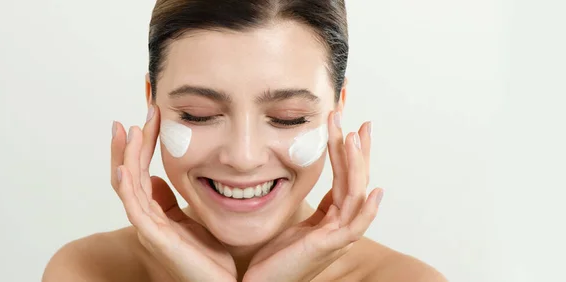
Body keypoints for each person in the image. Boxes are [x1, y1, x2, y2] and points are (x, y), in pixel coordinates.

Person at [43, 0, 447, 281]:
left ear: (337, 110)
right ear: (152, 102)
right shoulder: (87, 272)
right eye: (198, 115)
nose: (243, 156)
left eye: (287, 118)